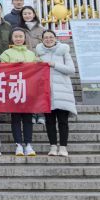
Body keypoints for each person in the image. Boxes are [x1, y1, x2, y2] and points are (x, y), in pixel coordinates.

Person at [36, 29, 77, 157]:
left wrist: (54, 64)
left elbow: (71, 70)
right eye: (46, 38)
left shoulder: (63, 51)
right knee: (49, 122)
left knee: (63, 121)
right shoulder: (39, 53)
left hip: (63, 91)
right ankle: (53, 146)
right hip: (46, 92)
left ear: (55, 38)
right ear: (42, 40)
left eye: (51, 37)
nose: (48, 39)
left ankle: (63, 147)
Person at [0, 27, 39, 156]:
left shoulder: (31, 54)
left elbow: (36, 71)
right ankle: (18, 145)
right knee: (16, 118)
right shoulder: (6, 53)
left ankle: (28, 144)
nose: (18, 39)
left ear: (24, 38)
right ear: (11, 38)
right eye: (15, 36)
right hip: (14, 89)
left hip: (28, 90)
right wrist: (14, 66)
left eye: (20, 36)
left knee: (28, 118)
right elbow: (2, 71)